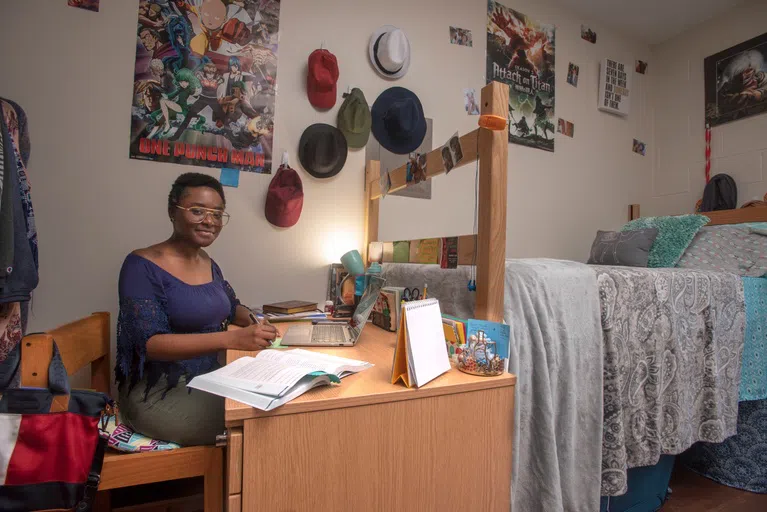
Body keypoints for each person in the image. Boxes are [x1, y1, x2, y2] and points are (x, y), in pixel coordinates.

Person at [116, 173, 277, 445]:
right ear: (172, 211)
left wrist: (255, 321)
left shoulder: (207, 262)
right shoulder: (140, 265)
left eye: (217, 213)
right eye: (197, 211)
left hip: (208, 379)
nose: (209, 221)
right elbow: (149, 345)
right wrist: (232, 338)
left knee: (277, 401)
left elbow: (231, 306)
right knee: (259, 420)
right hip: (158, 393)